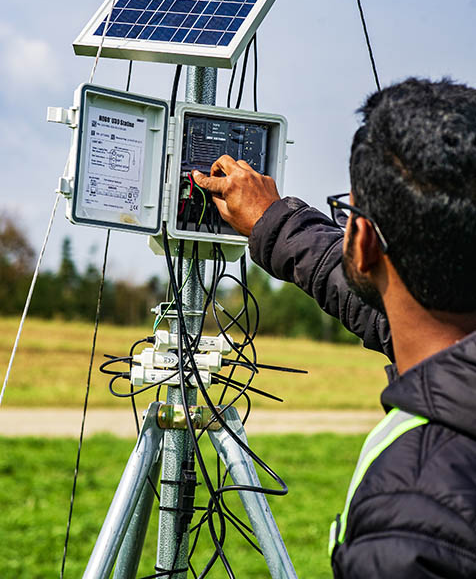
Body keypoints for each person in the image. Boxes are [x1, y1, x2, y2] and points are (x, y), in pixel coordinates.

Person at [192, 77, 476, 578]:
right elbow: (387, 303)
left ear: (363, 241)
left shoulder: (411, 521)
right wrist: (273, 222)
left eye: (347, 214)